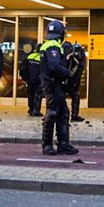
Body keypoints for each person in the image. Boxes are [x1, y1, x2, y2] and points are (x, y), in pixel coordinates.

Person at [38, 19, 78, 156]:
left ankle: (63, 144)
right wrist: (67, 73)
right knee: (53, 112)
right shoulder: (53, 46)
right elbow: (54, 66)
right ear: (61, 34)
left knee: (63, 113)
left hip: (53, 83)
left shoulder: (49, 45)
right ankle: (47, 145)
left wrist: (67, 58)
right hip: (52, 83)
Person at [65, 40, 86, 122]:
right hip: (73, 79)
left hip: (66, 78)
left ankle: (60, 114)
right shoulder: (78, 56)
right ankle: (74, 115)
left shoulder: (69, 55)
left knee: (60, 96)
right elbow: (80, 68)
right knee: (75, 96)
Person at [22, 45, 43, 116]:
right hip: (38, 80)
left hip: (30, 80)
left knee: (30, 94)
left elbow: (22, 68)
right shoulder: (42, 58)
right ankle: (36, 110)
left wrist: (25, 78)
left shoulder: (30, 56)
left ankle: (31, 109)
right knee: (38, 95)